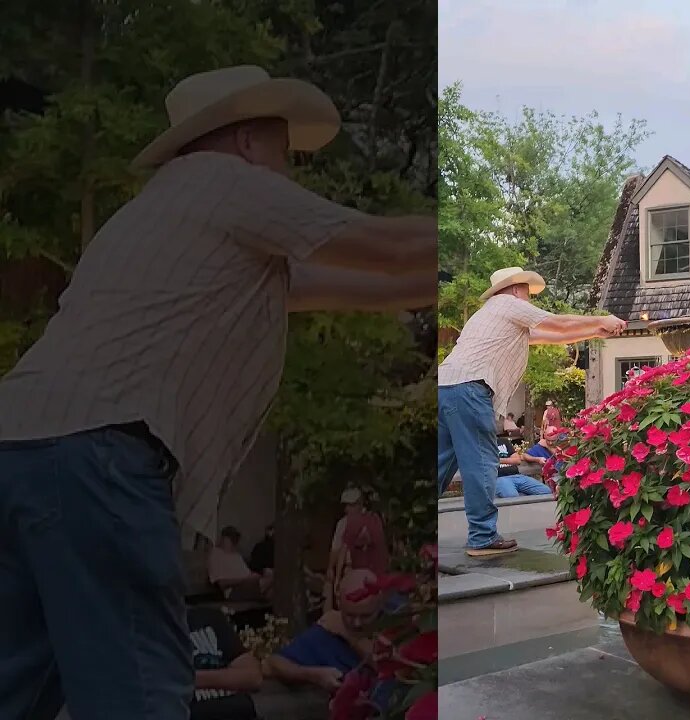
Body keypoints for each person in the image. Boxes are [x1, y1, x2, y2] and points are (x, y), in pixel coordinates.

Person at [0, 64, 433, 718]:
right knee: (138, 698)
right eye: (284, 151)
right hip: (98, 459)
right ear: (248, 140)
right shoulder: (223, 182)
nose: (288, 173)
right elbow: (391, 250)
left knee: (19, 691)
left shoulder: (159, 224)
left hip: (17, 451)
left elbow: (383, 283)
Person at [437, 267, 626, 556]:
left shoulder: (492, 317)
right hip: (470, 389)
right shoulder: (507, 304)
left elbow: (549, 335)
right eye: (528, 291)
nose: (529, 298)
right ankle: (482, 537)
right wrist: (602, 318)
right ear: (515, 289)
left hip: (445, 386)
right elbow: (556, 323)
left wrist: (594, 331)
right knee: (482, 462)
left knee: (440, 462)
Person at [266, 569, 395, 710]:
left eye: (366, 616)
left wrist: (350, 637)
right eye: (350, 615)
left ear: (380, 603)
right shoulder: (327, 630)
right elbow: (275, 663)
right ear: (339, 603)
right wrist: (314, 675)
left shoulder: (397, 622)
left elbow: (394, 668)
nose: (356, 623)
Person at [187, 606, 263, 720]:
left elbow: (253, 677)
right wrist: (226, 677)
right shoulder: (154, 630)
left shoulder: (207, 617)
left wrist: (191, 678)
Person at [326, 488, 389, 610]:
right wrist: (332, 570)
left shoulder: (374, 520)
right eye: (346, 505)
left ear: (360, 504)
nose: (347, 509)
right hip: (351, 568)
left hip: (371, 570)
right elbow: (338, 549)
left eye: (351, 505)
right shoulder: (343, 523)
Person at [209, 526, 274, 600]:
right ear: (224, 539)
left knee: (272, 583)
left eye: (236, 540)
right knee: (273, 580)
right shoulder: (216, 554)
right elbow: (222, 583)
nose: (234, 544)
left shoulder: (237, 555)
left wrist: (255, 575)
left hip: (249, 584)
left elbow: (247, 573)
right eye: (232, 540)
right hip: (234, 590)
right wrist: (245, 580)